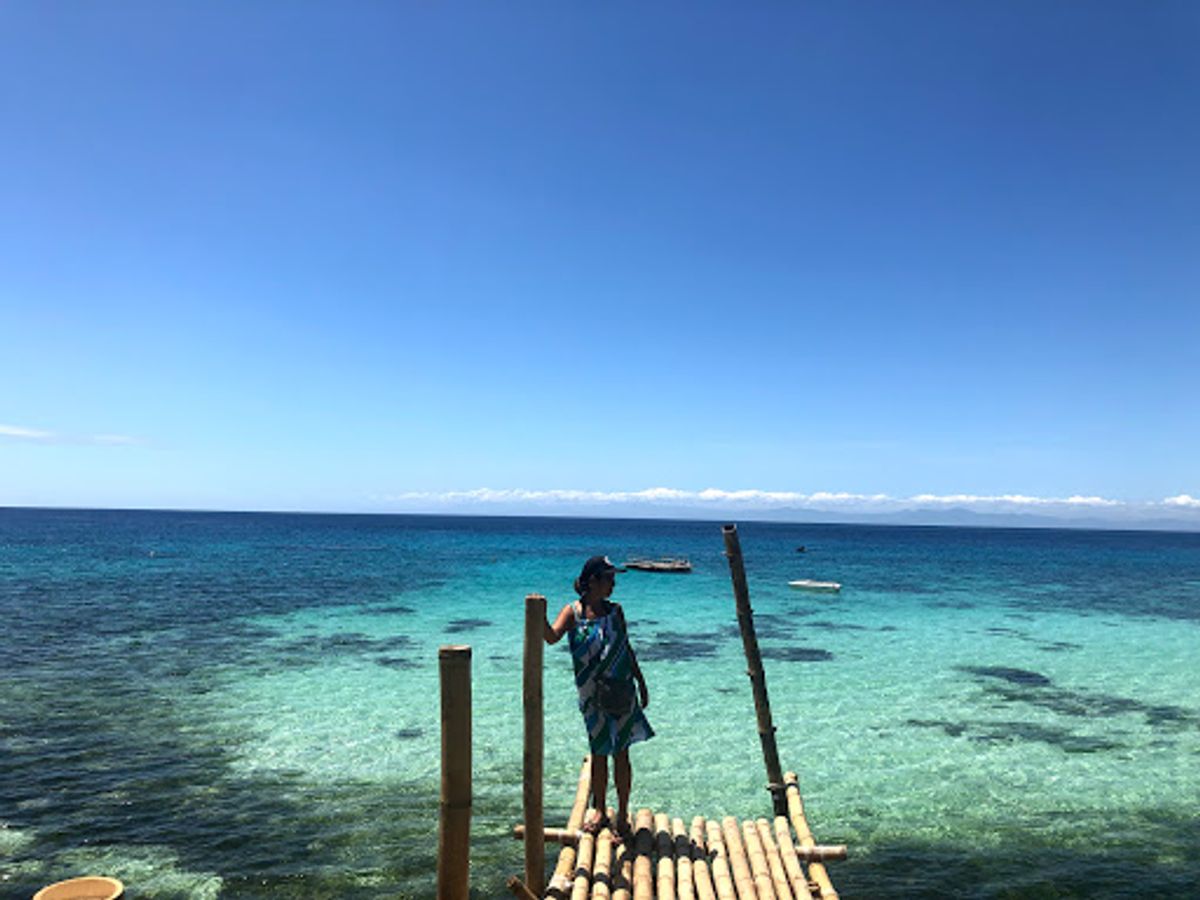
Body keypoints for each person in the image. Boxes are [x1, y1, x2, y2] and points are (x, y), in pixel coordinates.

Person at [544, 555, 653, 839]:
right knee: (599, 752)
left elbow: (627, 648)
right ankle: (601, 810)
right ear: (592, 581)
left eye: (614, 580)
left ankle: (623, 815)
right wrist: (535, 613)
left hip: (621, 691)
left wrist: (641, 682)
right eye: (609, 579)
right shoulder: (573, 613)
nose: (613, 585)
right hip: (592, 696)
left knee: (622, 753)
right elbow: (551, 637)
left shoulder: (616, 612)